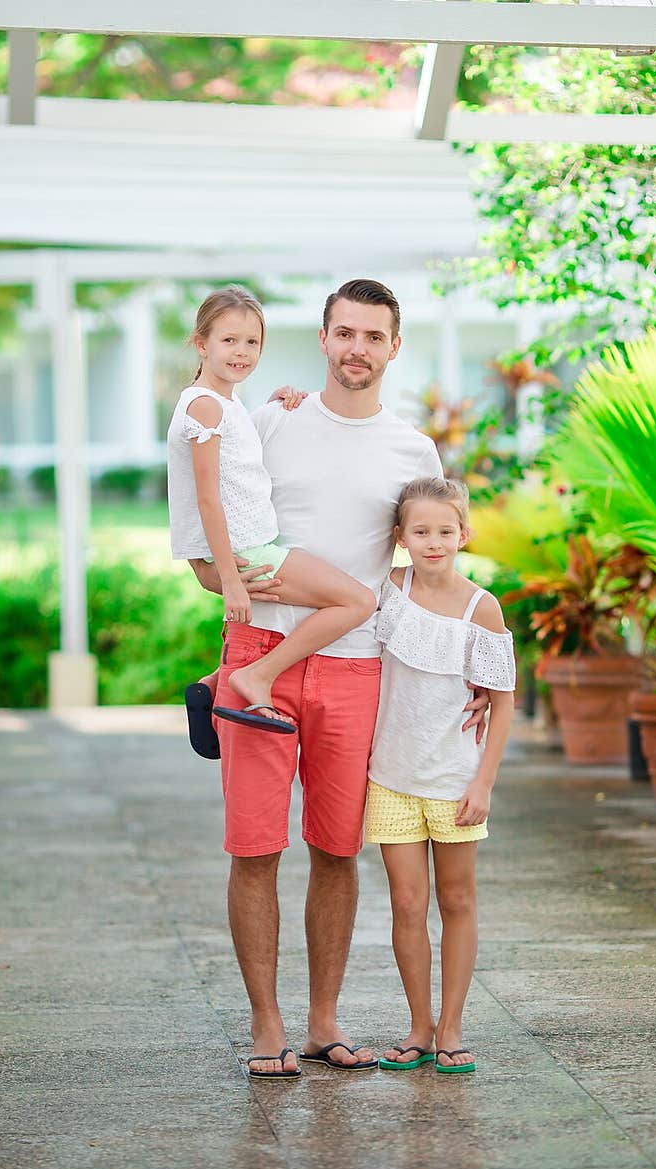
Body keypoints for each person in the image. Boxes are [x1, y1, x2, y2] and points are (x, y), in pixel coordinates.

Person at [186, 278, 491, 1079]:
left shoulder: (413, 452)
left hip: (359, 671)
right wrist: (238, 588)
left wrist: (470, 678)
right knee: (254, 848)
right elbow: (212, 540)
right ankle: (265, 1024)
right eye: (344, 332)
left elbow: (427, 569)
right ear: (322, 338)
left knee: (336, 849)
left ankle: (322, 1023)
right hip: (258, 656)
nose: (358, 348)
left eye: (374, 336)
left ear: (395, 348)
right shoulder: (270, 420)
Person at [167, 286, 376, 736]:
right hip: (248, 553)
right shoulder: (204, 407)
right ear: (201, 343)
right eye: (229, 341)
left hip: (249, 546)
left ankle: (216, 683)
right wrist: (229, 582)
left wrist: (270, 406)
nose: (241, 352)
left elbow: (235, 464)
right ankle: (253, 676)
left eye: (252, 342)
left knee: (336, 603)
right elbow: (208, 497)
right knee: (359, 600)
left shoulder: (221, 402)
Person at [366, 477, 516, 1075]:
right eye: (421, 532)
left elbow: (501, 699)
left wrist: (483, 783)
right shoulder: (389, 590)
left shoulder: (483, 607)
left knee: (456, 899)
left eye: (445, 532)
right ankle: (419, 1026)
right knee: (407, 903)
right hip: (391, 776)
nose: (434, 542)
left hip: (455, 778)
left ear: (464, 535)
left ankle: (453, 1026)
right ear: (400, 537)